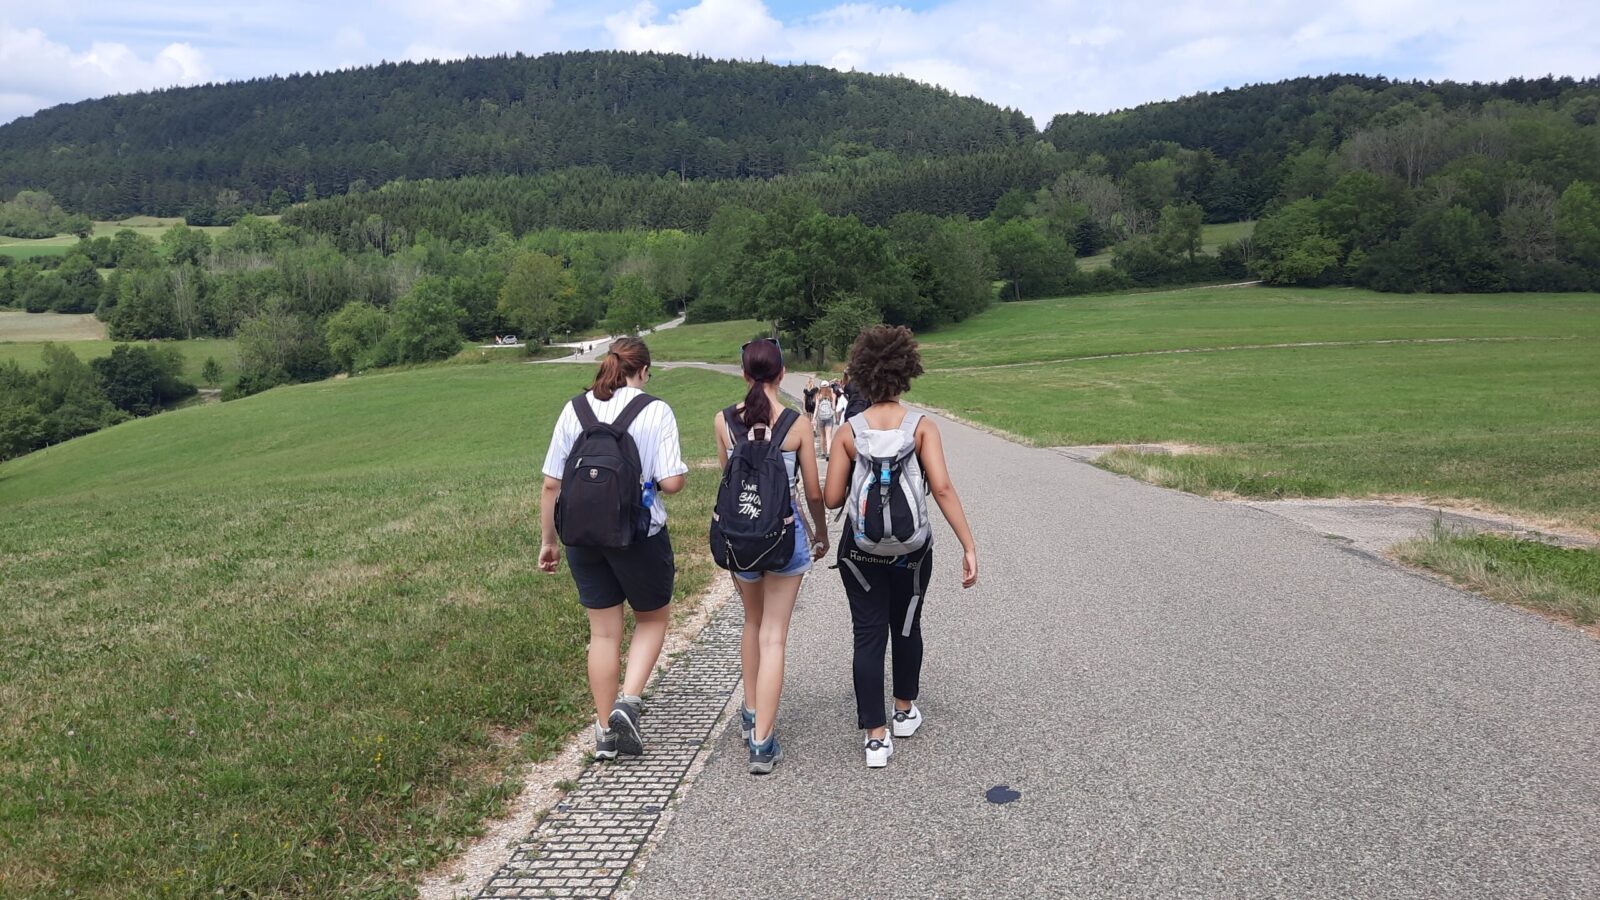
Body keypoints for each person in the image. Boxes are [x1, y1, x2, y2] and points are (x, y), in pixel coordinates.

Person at [824, 325, 978, 769]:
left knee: (867, 634)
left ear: (862, 375)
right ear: (906, 371)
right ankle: (905, 710)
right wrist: (968, 546)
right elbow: (942, 488)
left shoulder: (849, 432)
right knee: (907, 625)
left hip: (860, 552)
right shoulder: (922, 428)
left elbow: (832, 499)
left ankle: (875, 738)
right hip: (912, 551)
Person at [539, 337, 688, 761]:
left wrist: (549, 542)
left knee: (603, 633)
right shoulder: (655, 410)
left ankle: (604, 732)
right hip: (639, 534)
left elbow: (551, 484)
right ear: (643, 371)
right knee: (652, 619)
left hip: (582, 536)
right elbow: (672, 482)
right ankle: (629, 701)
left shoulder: (575, 409)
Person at [715, 338, 829, 774]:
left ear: (744, 374)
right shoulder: (797, 425)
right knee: (774, 636)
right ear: (782, 374)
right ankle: (762, 743)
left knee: (752, 621)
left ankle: (749, 711)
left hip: (739, 537)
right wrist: (821, 533)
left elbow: (729, 479)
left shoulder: (724, 421)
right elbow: (813, 492)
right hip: (785, 538)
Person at [813, 380, 836, 459]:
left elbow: (816, 407)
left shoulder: (818, 395)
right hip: (829, 417)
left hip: (820, 418)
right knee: (828, 436)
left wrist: (814, 418)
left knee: (822, 436)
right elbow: (833, 407)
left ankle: (823, 453)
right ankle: (828, 452)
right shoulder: (832, 395)